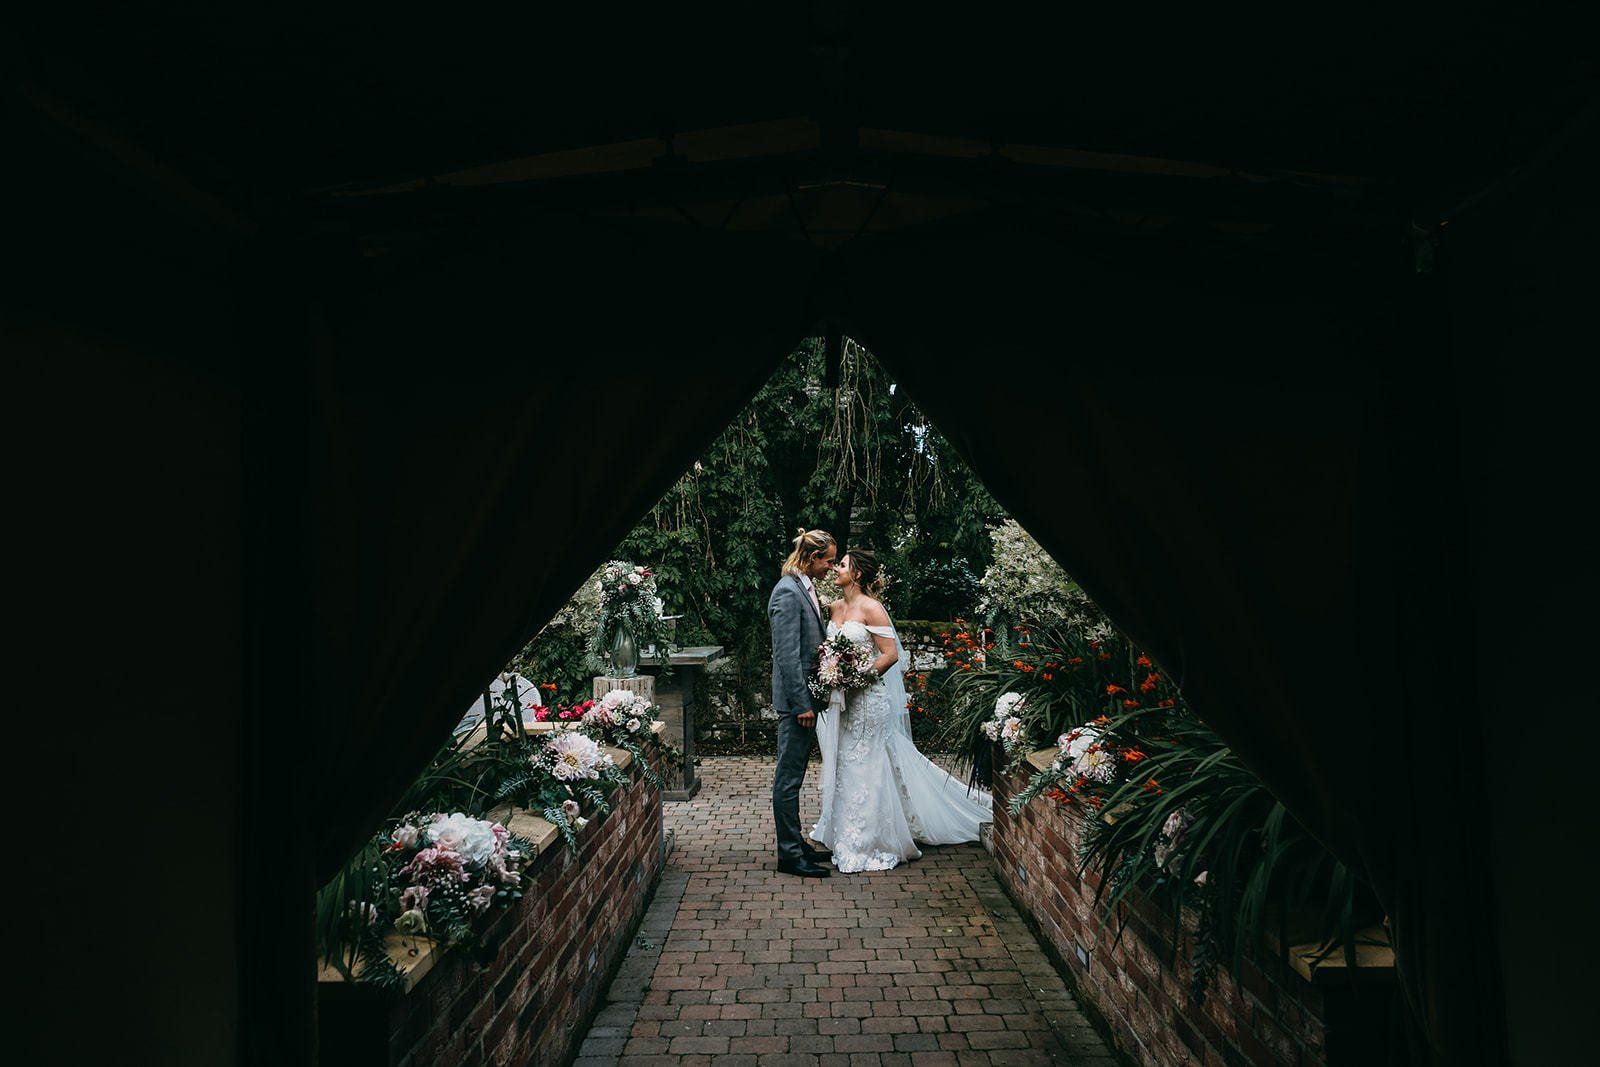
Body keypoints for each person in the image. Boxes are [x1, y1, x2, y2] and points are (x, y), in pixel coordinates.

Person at [811, 547, 993, 873]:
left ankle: (870, 840)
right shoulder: (835, 607)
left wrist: (857, 678)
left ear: (858, 574)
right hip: (843, 700)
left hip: (868, 699)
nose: (836, 568)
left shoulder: (872, 608)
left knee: (866, 761)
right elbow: (831, 651)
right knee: (844, 760)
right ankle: (843, 828)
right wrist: (831, 673)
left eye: (842, 564)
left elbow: (890, 654)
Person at [767, 528, 837, 877]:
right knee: (788, 778)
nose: (831, 568)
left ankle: (798, 846)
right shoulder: (787, 592)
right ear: (811, 558)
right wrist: (801, 704)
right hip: (796, 703)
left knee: (794, 774)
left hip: (806, 699)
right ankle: (790, 856)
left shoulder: (802, 587)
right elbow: (786, 655)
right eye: (828, 561)